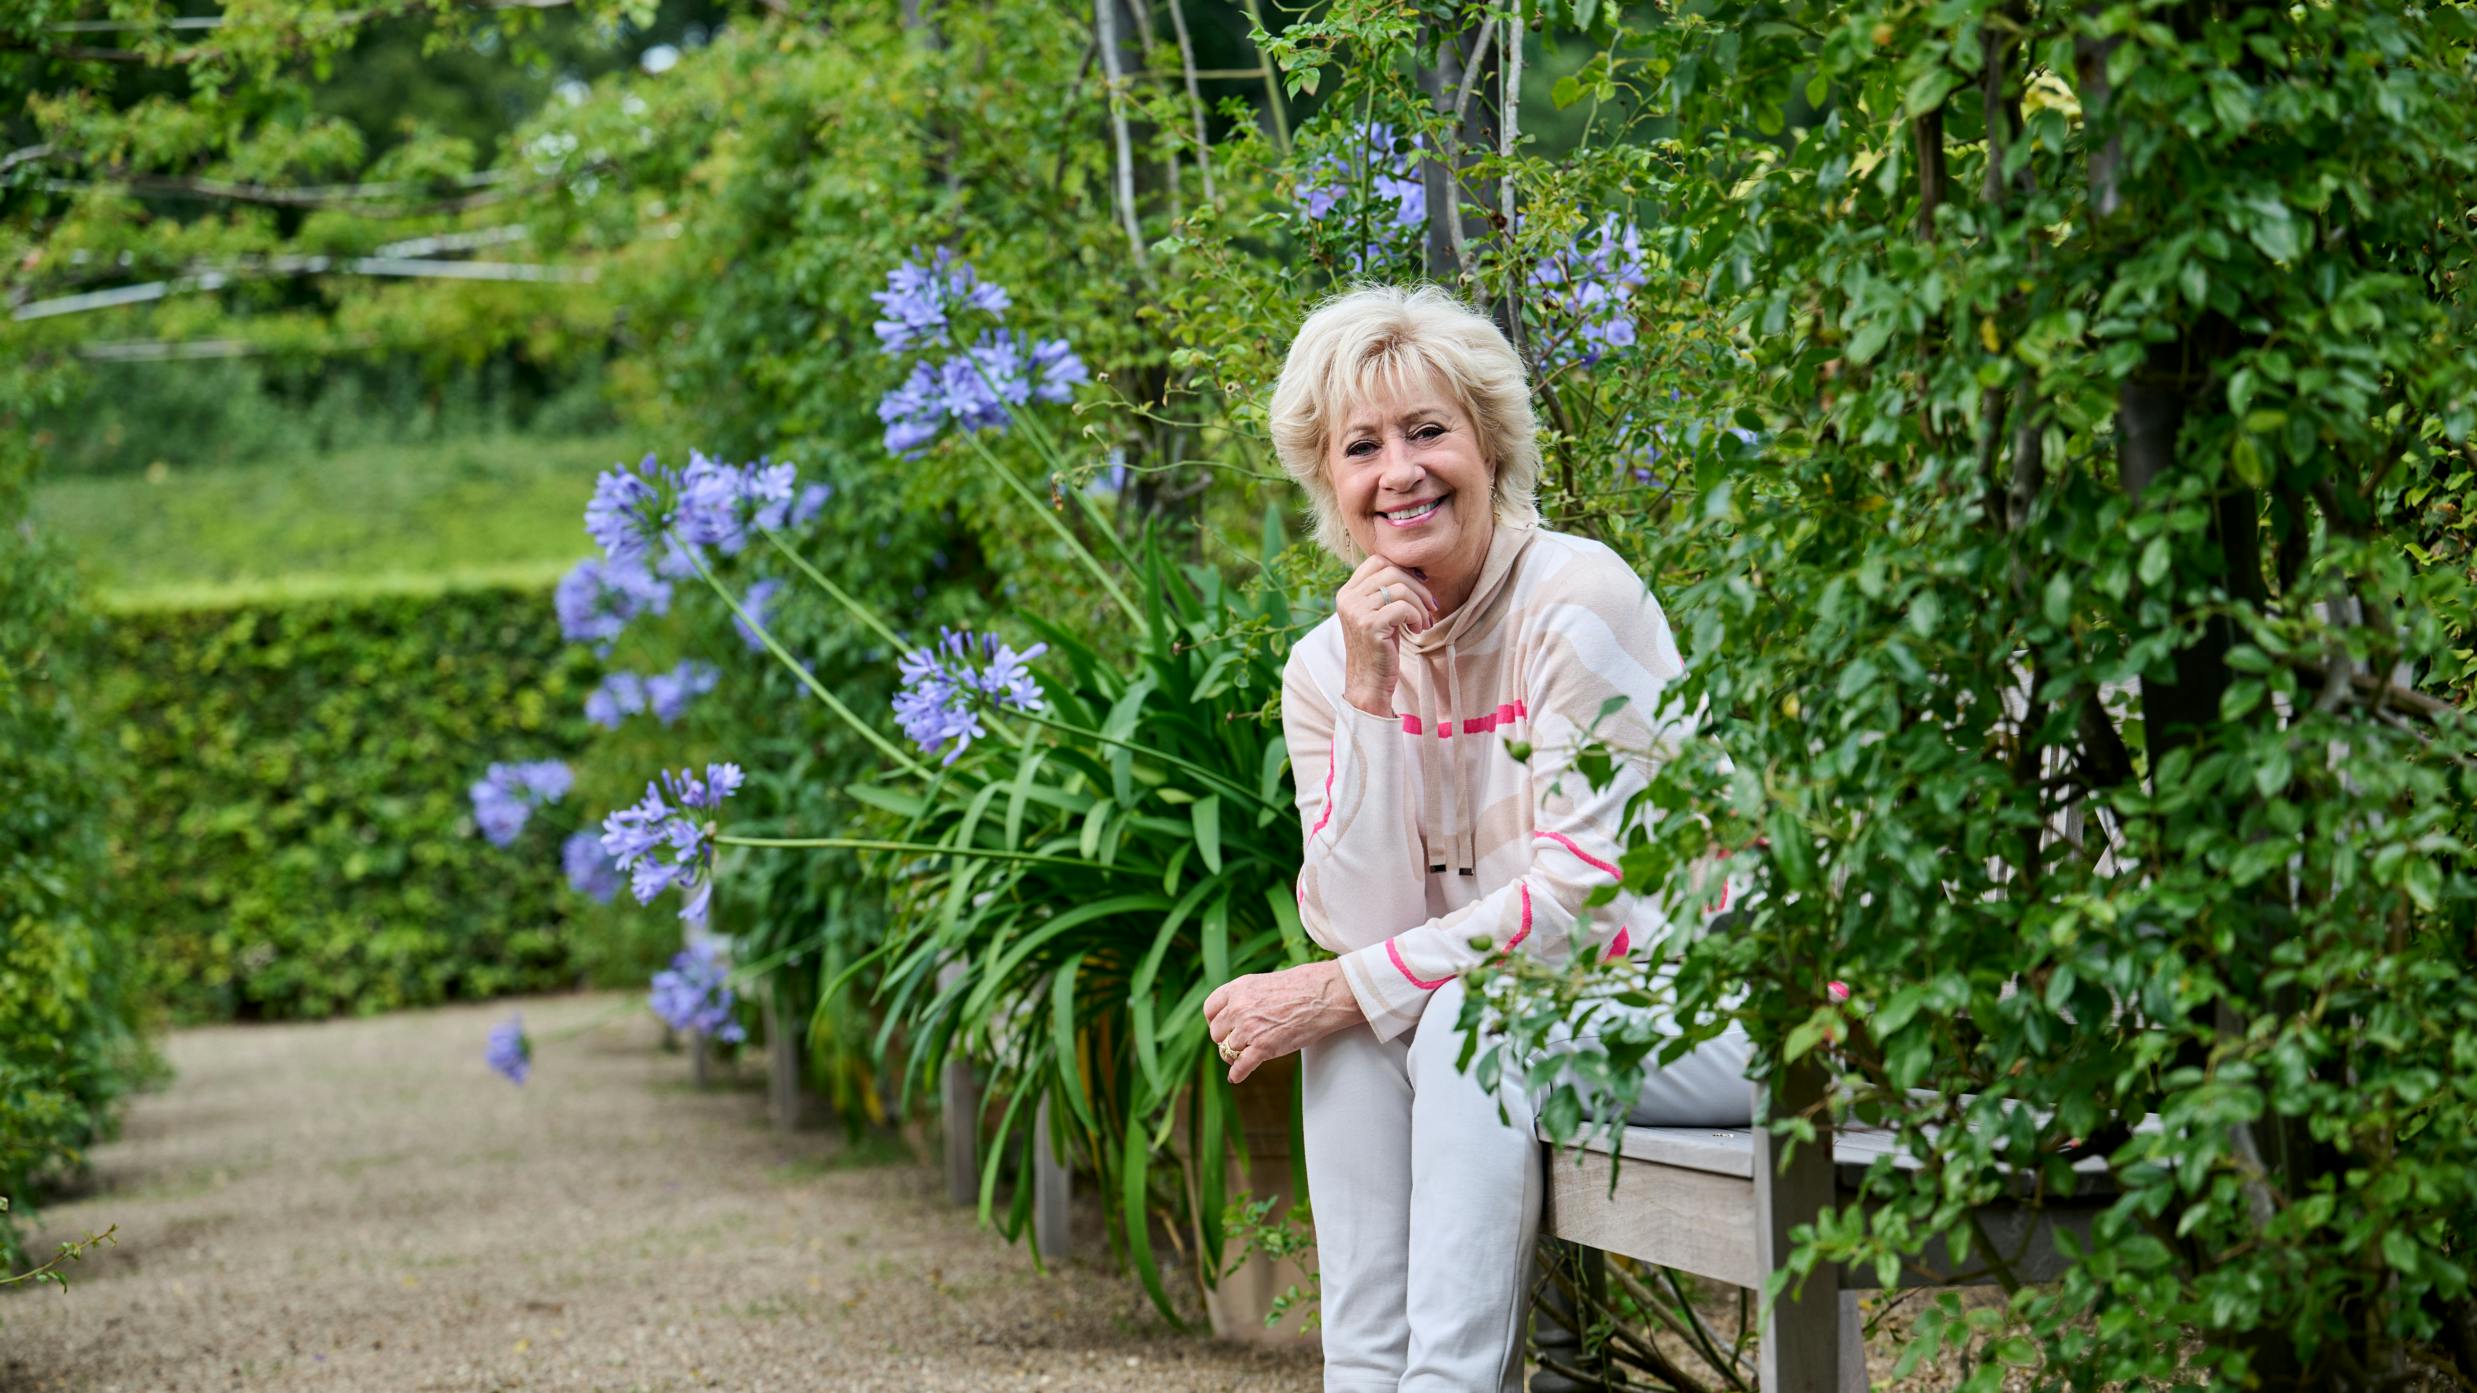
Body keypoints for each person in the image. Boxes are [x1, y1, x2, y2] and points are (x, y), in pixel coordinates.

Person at [1203, 284, 1752, 1391]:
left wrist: (1342, 985)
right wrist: (1369, 694)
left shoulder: (1575, 598)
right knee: (1358, 1030)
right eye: (1361, 447)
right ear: (1329, 485)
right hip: (1521, 1026)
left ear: (1489, 445)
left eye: (1426, 431)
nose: (1398, 471)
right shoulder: (1324, 667)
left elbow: (1584, 899)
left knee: (1452, 1013)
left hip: (1707, 1011)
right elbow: (1363, 928)